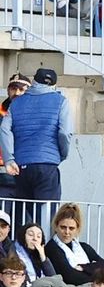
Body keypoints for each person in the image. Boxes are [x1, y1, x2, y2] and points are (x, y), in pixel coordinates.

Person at [0, 68, 72, 216]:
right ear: (53, 85)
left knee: (19, 218)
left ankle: (19, 239)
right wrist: (62, 154)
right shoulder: (60, 101)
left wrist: (9, 159)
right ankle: (43, 239)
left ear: (34, 82)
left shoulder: (16, 103)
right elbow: (64, 132)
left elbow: (4, 130)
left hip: (21, 166)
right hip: (48, 164)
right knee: (46, 216)